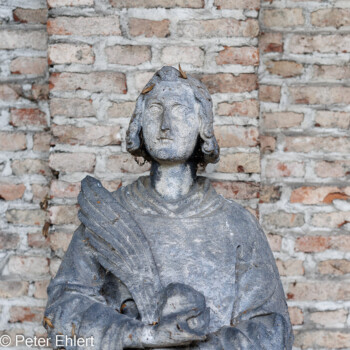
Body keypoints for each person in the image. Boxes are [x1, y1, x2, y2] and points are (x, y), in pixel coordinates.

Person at [44, 66, 293, 349]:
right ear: (139, 123)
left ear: (203, 125)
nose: (166, 125)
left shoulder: (236, 223)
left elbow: (272, 329)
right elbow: (63, 310)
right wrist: (143, 336)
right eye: (154, 110)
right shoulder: (110, 216)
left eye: (180, 111)